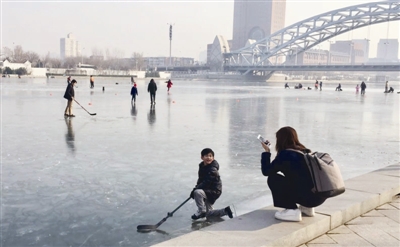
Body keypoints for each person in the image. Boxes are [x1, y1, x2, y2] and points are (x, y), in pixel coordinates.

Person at [260, 126, 326, 222]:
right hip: (319, 197)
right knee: (300, 180)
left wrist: (267, 152)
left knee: (273, 178)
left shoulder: (285, 155)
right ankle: (307, 208)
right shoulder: (305, 151)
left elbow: (266, 171)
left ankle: (292, 210)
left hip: (308, 197)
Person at [189, 148, 233, 220]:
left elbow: (206, 182)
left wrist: (195, 190)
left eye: (210, 156)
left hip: (214, 191)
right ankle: (225, 211)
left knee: (197, 192)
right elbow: (200, 180)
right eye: (206, 156)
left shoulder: (213, 169)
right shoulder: (202, 166)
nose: (209, 158)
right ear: (202, 157)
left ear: (213, 157)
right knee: (209, 214)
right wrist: (195, 188)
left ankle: (201, 211)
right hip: (207, 190)